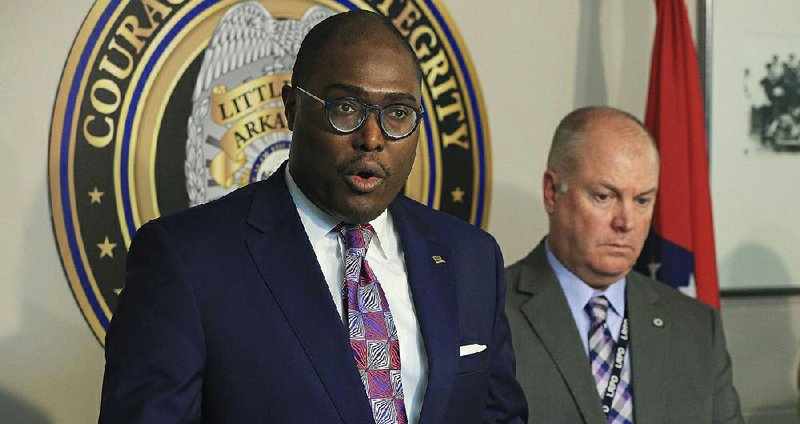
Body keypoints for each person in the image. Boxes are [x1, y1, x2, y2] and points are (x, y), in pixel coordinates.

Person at [99, 10, 527, 424]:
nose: (372, 138)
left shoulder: (471, 257)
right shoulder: (188, 260)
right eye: (345, 108)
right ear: (291, 108)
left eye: (398, 113)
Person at [505, 106, 744, 423]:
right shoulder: (490, 312)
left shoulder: (698, 328)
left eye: (642, 200)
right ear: (552, 193)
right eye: (604, 196)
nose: (626, 221)